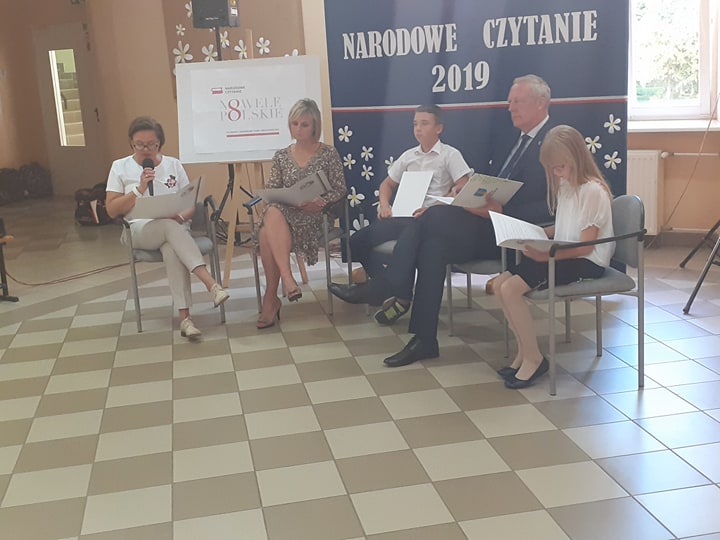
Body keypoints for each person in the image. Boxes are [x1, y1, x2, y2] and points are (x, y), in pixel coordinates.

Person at [330, 74, 555, 367]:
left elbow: (553, 205)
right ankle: (424, 340)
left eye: (518, 101)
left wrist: (501, 210)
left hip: (517, 232)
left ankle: (391, 284)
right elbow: (492, 183)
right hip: (487, 222)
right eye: (509, 101)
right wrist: (470, 193)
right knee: (432, 248)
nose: (510, 107)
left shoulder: (555, 140)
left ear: (541, 103)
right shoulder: (509, 139)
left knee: (434, 215)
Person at [494, 125, 614, 388]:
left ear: (576, 158)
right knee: (500, 284)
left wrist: (545, 257)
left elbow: (585, 247)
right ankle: (524, 352)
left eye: (561, 167)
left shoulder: (592, 191)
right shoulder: (567, 185)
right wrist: (533, 233)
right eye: (553, 169)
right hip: (564, 253)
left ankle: (534, 359)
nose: (557, 173)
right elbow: (563, 230)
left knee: (511, 289)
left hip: (586, 262)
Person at [106, 116, 229, 339]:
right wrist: (139, 189)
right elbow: (112, 209)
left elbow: (189, 202)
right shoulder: (119, 167)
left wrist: (180, 217)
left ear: (160, 144)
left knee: (172, 247)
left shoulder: (173, 164)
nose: (145, 149)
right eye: (139, 144)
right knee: (168, 227)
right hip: (138, 230)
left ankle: (185, 320)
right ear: (131, 143)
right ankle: (211, 284)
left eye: (151, 145)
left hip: (174, 228)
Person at [349, 104, 472, 281]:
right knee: (356, 241)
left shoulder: (450, 155)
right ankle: (383, 282)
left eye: (424, 123)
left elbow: (464, 187)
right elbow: (386, 184)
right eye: (415, 124)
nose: (418, 128)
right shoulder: (408, 156)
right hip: (402, 216)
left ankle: (390, 286)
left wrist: (438, 205)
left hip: (429, 219)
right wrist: (384, 205)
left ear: (439, 128)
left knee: (404, 249)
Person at [256, 98, 347, 329]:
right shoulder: (281, 156)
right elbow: (273, 189)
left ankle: (271, 299)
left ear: (315, 126)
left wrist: (321, 202)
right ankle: (287, 281)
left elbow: (340, 189)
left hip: (315, 217)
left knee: (266, 233)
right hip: (286, 214)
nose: (298, 129)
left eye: (304, 124)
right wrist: (287, 198)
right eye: (294, 124)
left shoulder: (329, 153)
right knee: (273, 212)